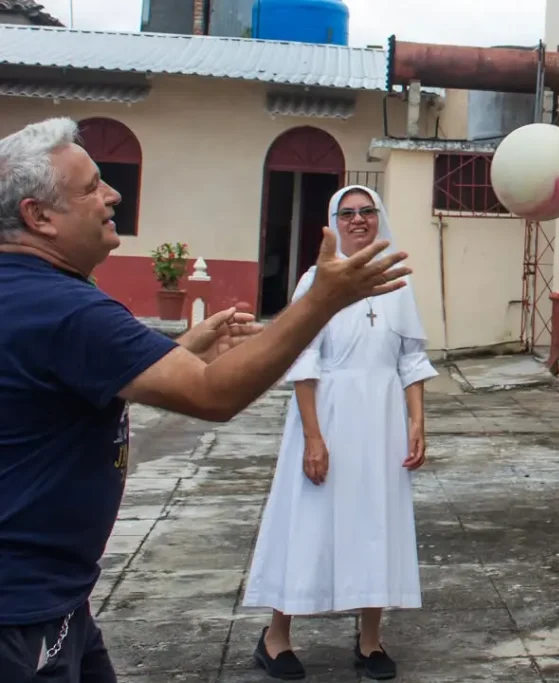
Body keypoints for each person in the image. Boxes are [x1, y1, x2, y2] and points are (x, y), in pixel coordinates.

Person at [0, 118, 411, 682]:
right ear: (38, 216)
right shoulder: (67, 310)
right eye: (92, 185)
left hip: (57, 600)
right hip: (21, 613)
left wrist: (181, 353)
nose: (113, 194)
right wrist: (322, 300)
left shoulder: (29, 295)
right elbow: (214, 396)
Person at [243, 185, 437, 681]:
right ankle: (276, 636)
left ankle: (370, 640)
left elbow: (410, 357)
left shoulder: (396, 280)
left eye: (366, 212)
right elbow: (303, 358)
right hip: (326, 416)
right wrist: (313, 435)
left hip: (381, 420)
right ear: (334, 222)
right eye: (347, 213)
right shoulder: (316, 279)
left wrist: (417, 419)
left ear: (379, 218)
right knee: (307, 519)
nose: (357, 220)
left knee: (377, 521)